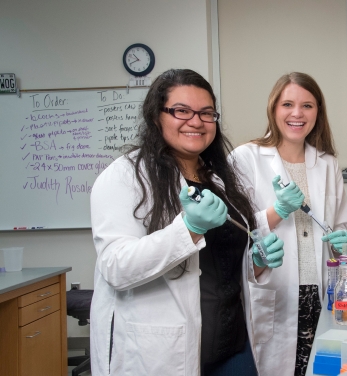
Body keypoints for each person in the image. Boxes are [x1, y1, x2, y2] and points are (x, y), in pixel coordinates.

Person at [89, 69, 285, 376]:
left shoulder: (219, 179)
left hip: (232, 345)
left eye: (206, 113)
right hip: (163, 354)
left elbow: (222, 265)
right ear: (157, 116)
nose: (196, 121)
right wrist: (189, 229)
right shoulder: (125, 176)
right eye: (182, 111)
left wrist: (256, 262)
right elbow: (116, 267)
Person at [230, 72, 347, 375]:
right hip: (275, 291)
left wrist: (344, 243)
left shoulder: (327, 163)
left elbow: (341, 227)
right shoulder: (246, 158)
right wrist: (277, 211)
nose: (297, 113)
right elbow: (233, 228)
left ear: (318, 112)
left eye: (307, 106)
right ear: (273, 109)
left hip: (320, 294)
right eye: (288, 104)